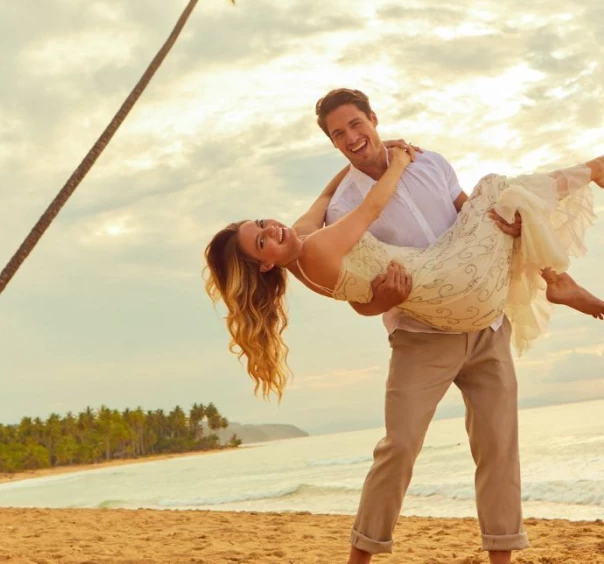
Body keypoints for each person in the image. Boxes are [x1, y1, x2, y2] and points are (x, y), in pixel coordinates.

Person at [204, 88, 603, 564]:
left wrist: (508, 227)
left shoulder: (418, 167)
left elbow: (461, 216)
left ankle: (500, 558)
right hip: (421, 336)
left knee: (499, 447)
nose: (351, 137)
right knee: (399, 448)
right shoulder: (334, 225)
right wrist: (383, 296)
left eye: (356, 125)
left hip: (483, 320)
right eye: (339, 134)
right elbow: (361, 287)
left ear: (373, 119)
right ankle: (583, 205)